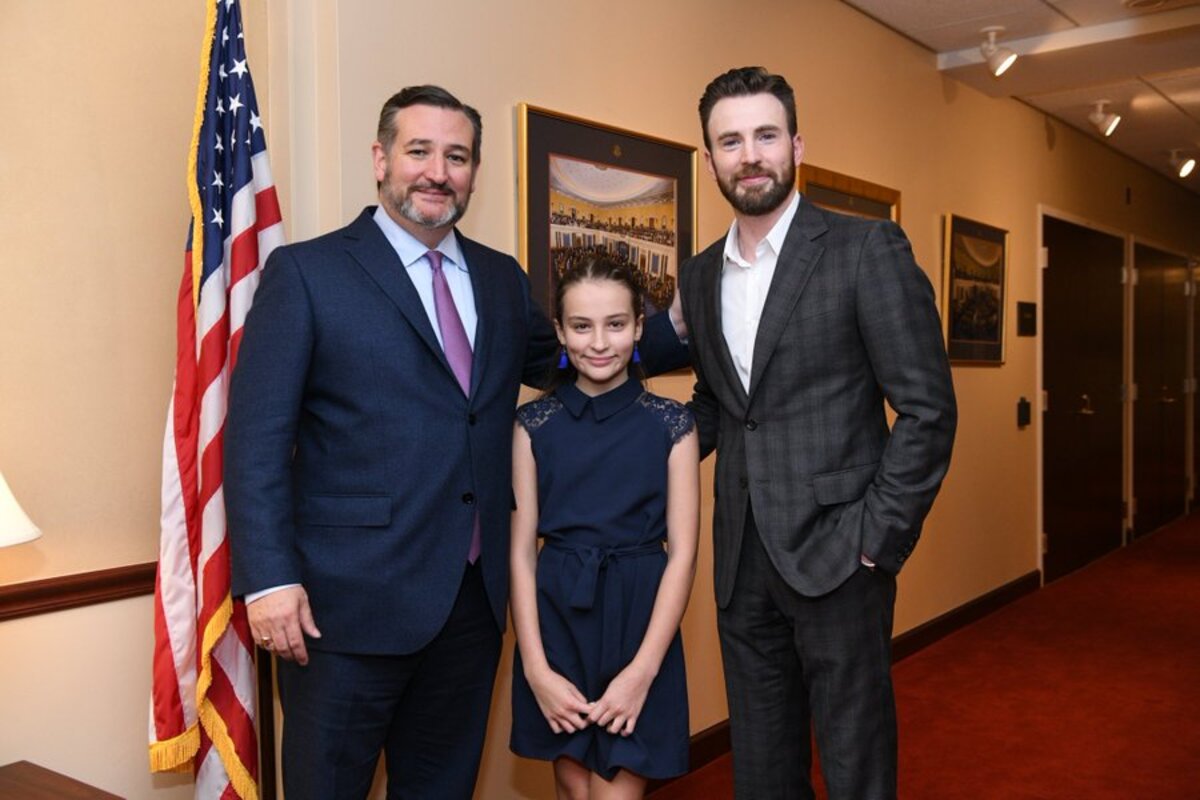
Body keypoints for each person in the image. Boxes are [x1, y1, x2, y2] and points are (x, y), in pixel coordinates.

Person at [224, 85, 686, 799]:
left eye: (458, 156)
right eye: (419, 152)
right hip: (343, 612)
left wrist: (666, 330)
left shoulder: (501, 280)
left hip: (471, 609)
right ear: (380, 160)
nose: (438, 172)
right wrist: (269, 579)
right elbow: (257, 437)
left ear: (473, 170)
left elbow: (563, 363)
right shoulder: (310, 274)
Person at [677, 67, 957, 799]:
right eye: (730, 141)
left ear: (797, 142)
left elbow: (927, 410)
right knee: (763, 769)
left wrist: (876, 538)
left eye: (765, 135)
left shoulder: (867, 249)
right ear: (708, 160)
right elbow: (720, 401)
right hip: (741, 560)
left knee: (854, 763)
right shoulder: (700, 276)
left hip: (842, 554)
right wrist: (634, 450)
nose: (750, 156)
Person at [509, 256, 700, 799]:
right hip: (557, 622)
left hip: (641, 624)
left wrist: (643, 671)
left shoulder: (672, 423)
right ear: (560, 332)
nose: (599, 343)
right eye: (582, 326)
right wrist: (535, 669)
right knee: (575, 792)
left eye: (616, 324)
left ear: (640, 327)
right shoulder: (533, 425)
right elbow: (521, 553)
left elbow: (683, 553)